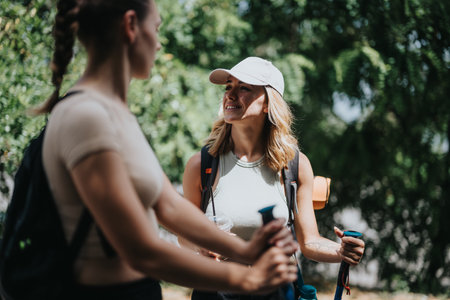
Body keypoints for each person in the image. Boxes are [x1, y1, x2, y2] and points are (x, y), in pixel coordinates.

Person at [40, 1, 299, 299]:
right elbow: (142, 250)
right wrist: (246, 279)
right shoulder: (86, 116)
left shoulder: (116, 114)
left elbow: (170, 206)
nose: (160, 44)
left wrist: (244, 249)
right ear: (130, 26)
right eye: (157, 29)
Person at [182, 57, 366, 299]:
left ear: (269, 103)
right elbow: (184, 234)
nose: (230, 95)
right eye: (228, 87)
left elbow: (309, 242)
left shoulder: (295, 166)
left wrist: (341, 251)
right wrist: (201, 247)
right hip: (214, 292)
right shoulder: (203, 164)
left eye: (244, 88)